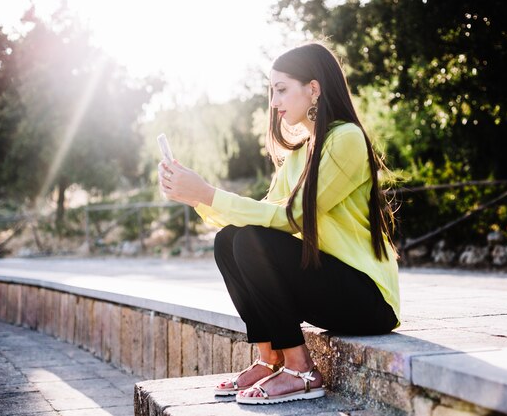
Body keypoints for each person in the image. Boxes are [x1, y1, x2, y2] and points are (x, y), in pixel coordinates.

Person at [158, 42, 400, 405]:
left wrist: (208, 193)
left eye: (281, 89)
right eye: (272, 92)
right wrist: (195, 196)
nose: (274, 102)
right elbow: (263, 214)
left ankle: (301, 370)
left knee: (249, 240)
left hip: (368, 300)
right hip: (329, 291)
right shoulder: (300, 153)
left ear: (313, 89)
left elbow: (292, 218)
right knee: (229, 240)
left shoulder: (346, 139)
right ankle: (270, 358)